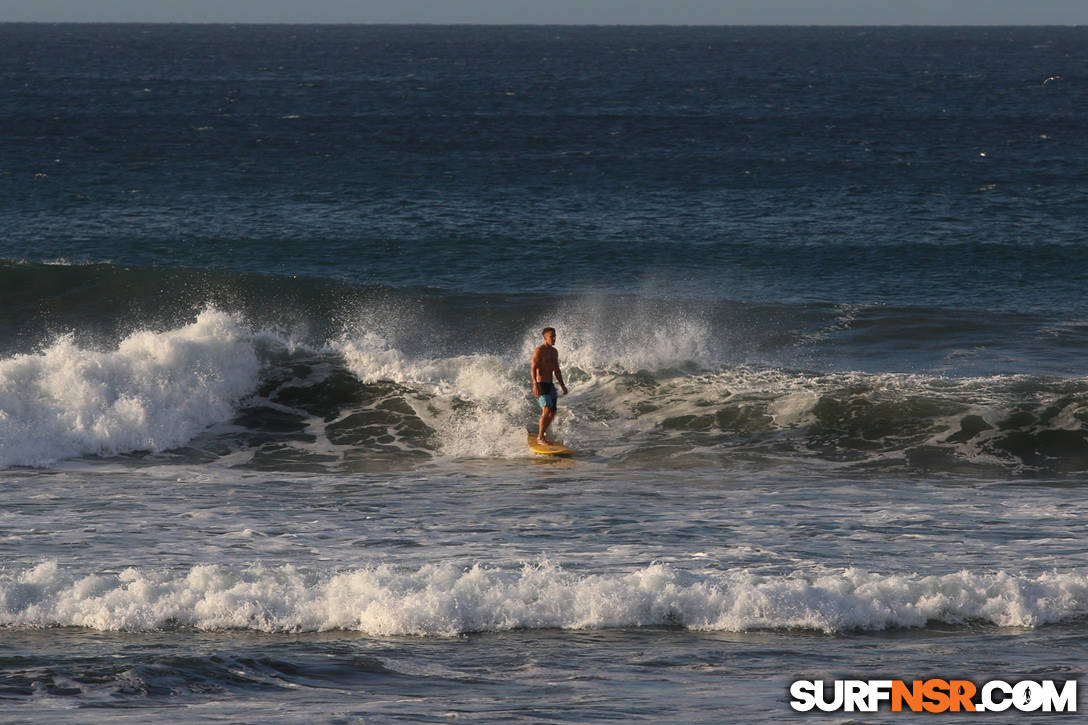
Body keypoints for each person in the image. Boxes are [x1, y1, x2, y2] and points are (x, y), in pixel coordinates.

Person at [531, 327, 568, 445]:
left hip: (550, 384)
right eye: (552, 336)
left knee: (553, 412)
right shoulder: (539, 351)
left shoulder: (554, 352)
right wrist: (535, 385)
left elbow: (556, 370)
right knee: (546, 410)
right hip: (541, 383)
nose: (554, 338)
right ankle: (540, 437)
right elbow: (533, 368)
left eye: (555, 336)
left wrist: (562, 385)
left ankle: (543, 433)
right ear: (545, 337)